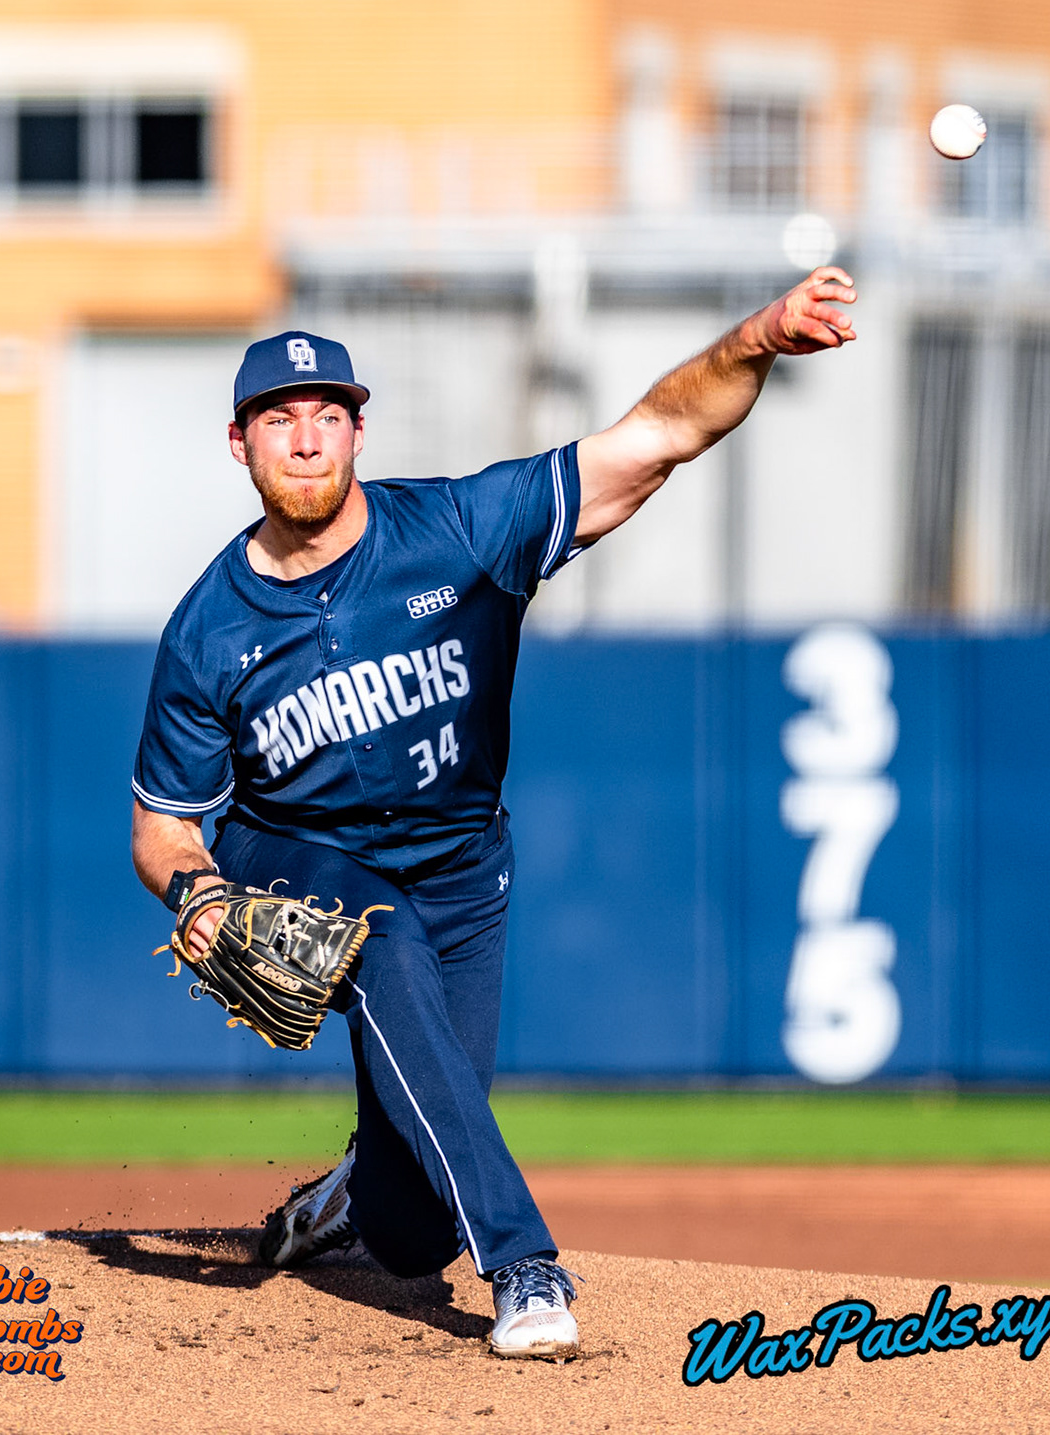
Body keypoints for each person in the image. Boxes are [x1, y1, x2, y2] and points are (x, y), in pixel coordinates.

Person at [130, 268, 857, 1359]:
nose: (307, 438)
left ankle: (356, 1194)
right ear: (242, 445)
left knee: (409, 1227)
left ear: (359, 432)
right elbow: (162, 824)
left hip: (464, 871)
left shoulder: (461, 531)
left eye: (328, 414)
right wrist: (194, 890)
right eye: (279, 420)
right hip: (299, 853)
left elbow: (654, 437)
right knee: (380, 947)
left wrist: (756, 335)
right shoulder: (207, 630)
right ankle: (527, 1266)